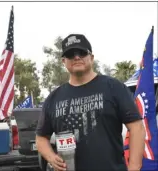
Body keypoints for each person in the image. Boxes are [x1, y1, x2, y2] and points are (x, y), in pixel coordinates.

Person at [35, 34, 146, 171]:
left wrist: (134, 167)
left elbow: (137, 128)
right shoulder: (53, 99)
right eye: (71, 54)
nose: (77, 57)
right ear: (64, 61)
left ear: (91, 58)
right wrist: (52, 158)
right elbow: (41, 139)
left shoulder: (113, 87)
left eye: (82, 52)